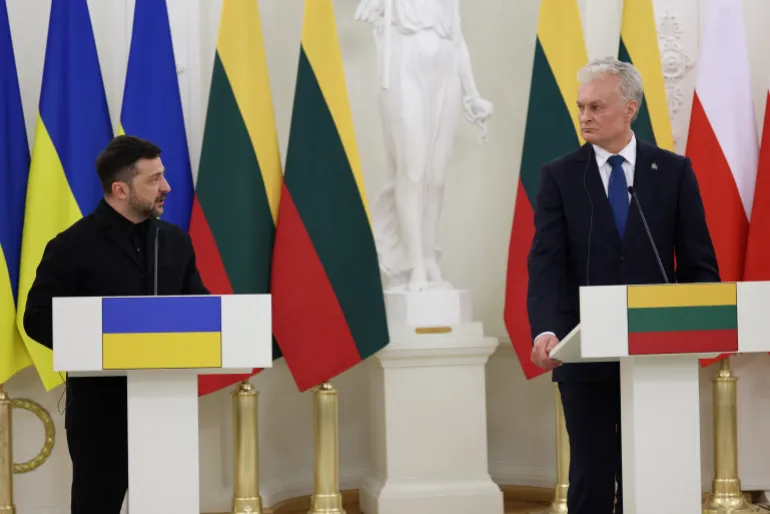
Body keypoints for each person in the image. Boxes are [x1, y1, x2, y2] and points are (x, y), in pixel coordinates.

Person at [526, 57, 719, 514]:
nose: (585, 117)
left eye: (596, 107)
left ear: (630, 108)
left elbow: (698, 262)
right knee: (592, 472)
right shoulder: (559, 175)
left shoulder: (672, 171)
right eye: (581, 107)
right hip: (583, 349)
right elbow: (546, 262)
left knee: (650, 470)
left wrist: (698, 323)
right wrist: (545, 329)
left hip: (657, 353)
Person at [23, 135, 208, 513]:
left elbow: (199, 309)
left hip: (167, 402)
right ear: (121, 189)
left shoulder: (174, 241)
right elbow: (37, 317)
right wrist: (106, 346)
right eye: (154, 179)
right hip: (99, 410)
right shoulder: (72, 246)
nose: (167, 187)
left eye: (163, 175)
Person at [355, 0, 493, 292]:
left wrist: (472, 95)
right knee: (413, 171)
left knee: (437, 176)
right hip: (405, 62)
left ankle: (429, 259)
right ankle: (413, 264)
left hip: (445, 67)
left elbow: (457, 40)